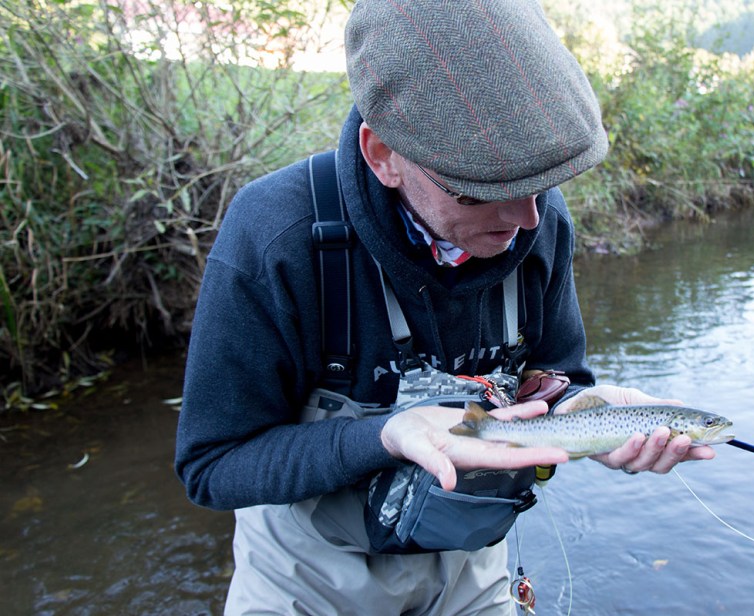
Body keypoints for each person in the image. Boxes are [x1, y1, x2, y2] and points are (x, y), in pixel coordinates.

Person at [175, 1, 716, 614]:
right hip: (310, 578)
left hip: (468, 562)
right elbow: (213, 465)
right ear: (383, 156)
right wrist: (385, 437)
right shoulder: (276, 236)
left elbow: (558, 379)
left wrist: (590, 423)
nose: (526, 219)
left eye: (539, 186)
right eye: (479, 191)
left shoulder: (536, 221)